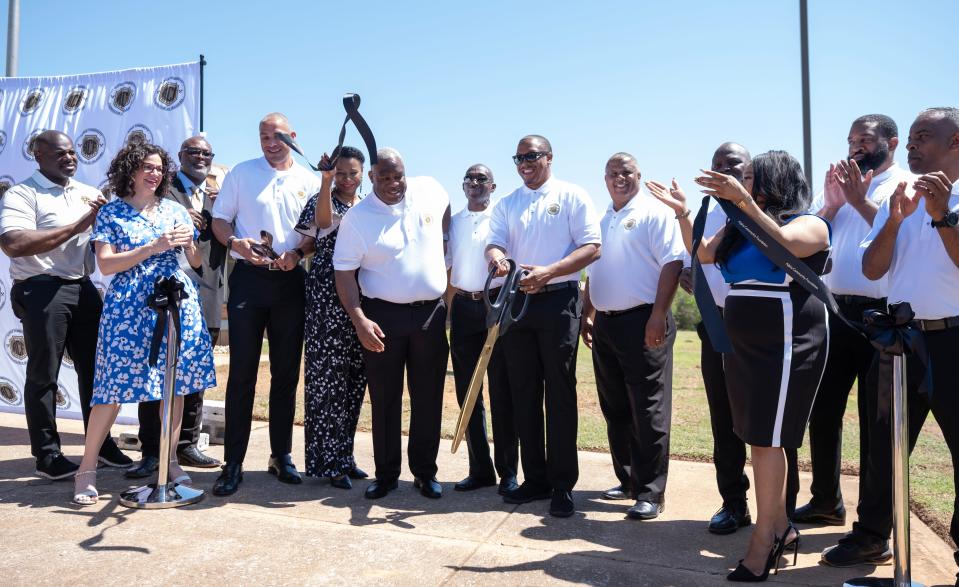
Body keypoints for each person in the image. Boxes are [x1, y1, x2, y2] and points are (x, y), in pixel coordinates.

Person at [649, 150, 830, 581]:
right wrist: (683, 214)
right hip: (742, 342)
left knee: (769, 439)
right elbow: (704, 255)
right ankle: (781, 529)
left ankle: (763, 540)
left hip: (787, 338)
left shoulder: (809, 222)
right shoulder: (740, 223)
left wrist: (742, 205)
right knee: (757, 437)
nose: (742, 183)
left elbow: (786, 244)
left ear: (773, 181)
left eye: (749, 177)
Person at [824, 107, 959, 576]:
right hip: (901, 341)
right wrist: (896, 222)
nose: (916, 144)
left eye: (925, 136)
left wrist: (944, 216)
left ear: (956, 142)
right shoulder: (898, 198)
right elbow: (873, 269)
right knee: (882, 445)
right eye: (914, 137)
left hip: (952, 342)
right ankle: (871, 537)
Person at [71, 142, 216, 505]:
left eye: (159, 168)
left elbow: (196, 261)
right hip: (128, 307)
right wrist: (154, 246)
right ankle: (86, 468)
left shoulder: (174, 209)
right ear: (130, 171)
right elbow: (106, 264)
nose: (155, 173)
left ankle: (169, 463)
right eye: (147, 167)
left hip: (175, 301)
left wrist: (187, 246)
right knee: (113, 388)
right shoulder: (112, 213)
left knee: (176, 385)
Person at [796, 115, 912, 530]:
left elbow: (899, 240)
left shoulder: (904, 184)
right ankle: (826, 500)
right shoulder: (840, 186)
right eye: (851, 140)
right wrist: (831, 203)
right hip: (834, 312)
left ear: (891, 143)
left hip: (880, 316)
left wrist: (860, 200)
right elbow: (814, 238)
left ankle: (872, 522)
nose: (856, 147)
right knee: (822, 410)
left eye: (864, 139)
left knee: (874, 422)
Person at [0, 130, 131, 480]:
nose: (69, 158)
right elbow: (14, 243)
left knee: (98, 371)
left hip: (82, 286)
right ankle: (47, 455)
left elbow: (111, 237)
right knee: (45, 375)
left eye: (72, 152)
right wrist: (79, 225)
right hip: (40, 288)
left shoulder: (89, 194)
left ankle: (100, 445)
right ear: (38, 155)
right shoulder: (22, 193)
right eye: (59, 154)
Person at [486, 135, 601, 518]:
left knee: (560, 392)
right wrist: (499, 259)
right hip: (518, 302)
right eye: (518, 158)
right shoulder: (507, 203)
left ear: (549, 157)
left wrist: (550, 271)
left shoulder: (571, 195)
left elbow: (591, 247)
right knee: (524, 393)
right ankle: (535, 479)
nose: (524, 163)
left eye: (531, 156)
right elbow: (494, 243)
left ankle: (562, 484)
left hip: (558, 301)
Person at [210, 113, 320, 496]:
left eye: (277, 137)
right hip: (248, 283)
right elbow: (219, 222)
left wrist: (297, 253)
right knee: (241, 374)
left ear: (293, 137)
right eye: (263, 137)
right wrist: (235, 243)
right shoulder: (241, 173)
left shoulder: (309, 181)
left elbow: (313, 235)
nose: (270, 144)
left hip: (290, 282)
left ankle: (280, 455)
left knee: (287, 374)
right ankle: (233, 462)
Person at [333, 148, 451, 500]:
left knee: (428, 397)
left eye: (397, 175)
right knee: (385, 398)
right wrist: (359, 320)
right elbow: (344, 273)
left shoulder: (429, 188)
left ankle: (425, 473)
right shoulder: (358, 217)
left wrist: (441, 243)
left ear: (406, 172)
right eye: (383, 177)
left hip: (430, 315)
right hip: (381, 317)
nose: (392, 183)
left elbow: (445, 211)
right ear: (371, 178)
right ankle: (386, 475)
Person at [580, 153, 684, 520]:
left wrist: (658, 315)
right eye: (612, 173)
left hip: (644, 321)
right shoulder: (602, 218)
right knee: (616, 408)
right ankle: (627, 480)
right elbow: (594, 272)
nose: (618, 178)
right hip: (607, 323)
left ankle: (651, 492)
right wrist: (587, 314)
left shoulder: (654, 213)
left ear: (639, 175)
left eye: (626, 172)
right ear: (604, 179)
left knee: (648, 409)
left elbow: (673, 262)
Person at [128, 135, 228, 478]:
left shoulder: (221, 195)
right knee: (156, 371)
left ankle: (185, 444)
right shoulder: (160, 192)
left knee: (193, 374)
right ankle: (152, 452)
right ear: (180, 156)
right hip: (163, 294)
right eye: (192, 152)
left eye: (206, 152)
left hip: (207, 293)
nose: (199, 157)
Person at [676, 143, 754, 534]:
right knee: (723, 421)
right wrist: (688, 271)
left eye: (733, 164)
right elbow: (698, 255)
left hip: (758, 326)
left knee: (766, 421)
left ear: (750, 170)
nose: (723, 170)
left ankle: (780, 510)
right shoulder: (707, 211)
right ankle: (734, 503)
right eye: (717, 164)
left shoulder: (761, 208)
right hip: (716, 325)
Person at [294, 146, 369, 489]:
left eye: (353, 173)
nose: (347, 180)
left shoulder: (369, 203)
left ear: (363, 172)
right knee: (328, 380)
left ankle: (346, 455)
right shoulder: (321, 198)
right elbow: (322, 225)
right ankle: (328, 463)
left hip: (362, 292)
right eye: (341, 173)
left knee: (355, 379)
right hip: (326, 293)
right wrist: (325, 184)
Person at [447, 164, 519, 494]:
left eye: (481, 179)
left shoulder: (503, 217)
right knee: (468, 392)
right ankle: (480, 469)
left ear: (492, 186)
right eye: (469, 179)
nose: (474, 183)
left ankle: (508, 472)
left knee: (502, 389)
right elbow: (448, 268)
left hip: (496, 304)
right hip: (463, 306)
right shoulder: (455, 221)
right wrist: (448, 312)